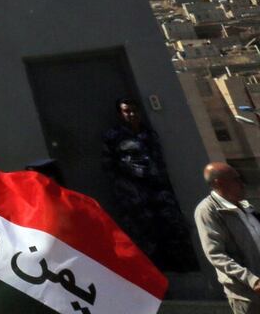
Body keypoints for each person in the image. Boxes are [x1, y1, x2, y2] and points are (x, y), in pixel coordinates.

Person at [101, 98, 197, 271]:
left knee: (172, 227)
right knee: (144, 234)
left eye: (134, 110)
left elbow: (158, 161)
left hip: (158, 190)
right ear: (120, 114)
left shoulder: (148, 134)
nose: (132, 115)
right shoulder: (114, 136)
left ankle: (180, 264)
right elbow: (110, 166)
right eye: (126, 111)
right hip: (134, 195)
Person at [195, 162, 260, 313]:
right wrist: (252, 280)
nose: (242, 183)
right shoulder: (207, 211)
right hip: (248, 296)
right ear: (220, 183)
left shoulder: (245, 206)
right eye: (236, 179)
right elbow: (216, 254)